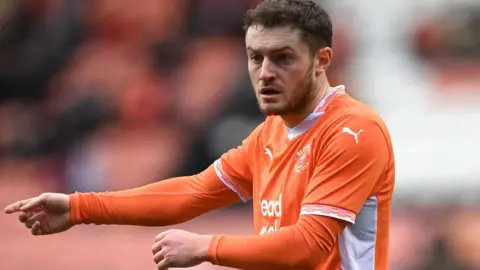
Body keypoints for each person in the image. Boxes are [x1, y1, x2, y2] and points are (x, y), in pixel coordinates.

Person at [4, 0, 395, 269]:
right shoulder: (272, 133)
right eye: (256, 57)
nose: (265, 73)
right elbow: (194, 192)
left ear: (321, 61)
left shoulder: (353, 131)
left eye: (284, 57)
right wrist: (78, 208)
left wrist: (206, 247)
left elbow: (310, 246)